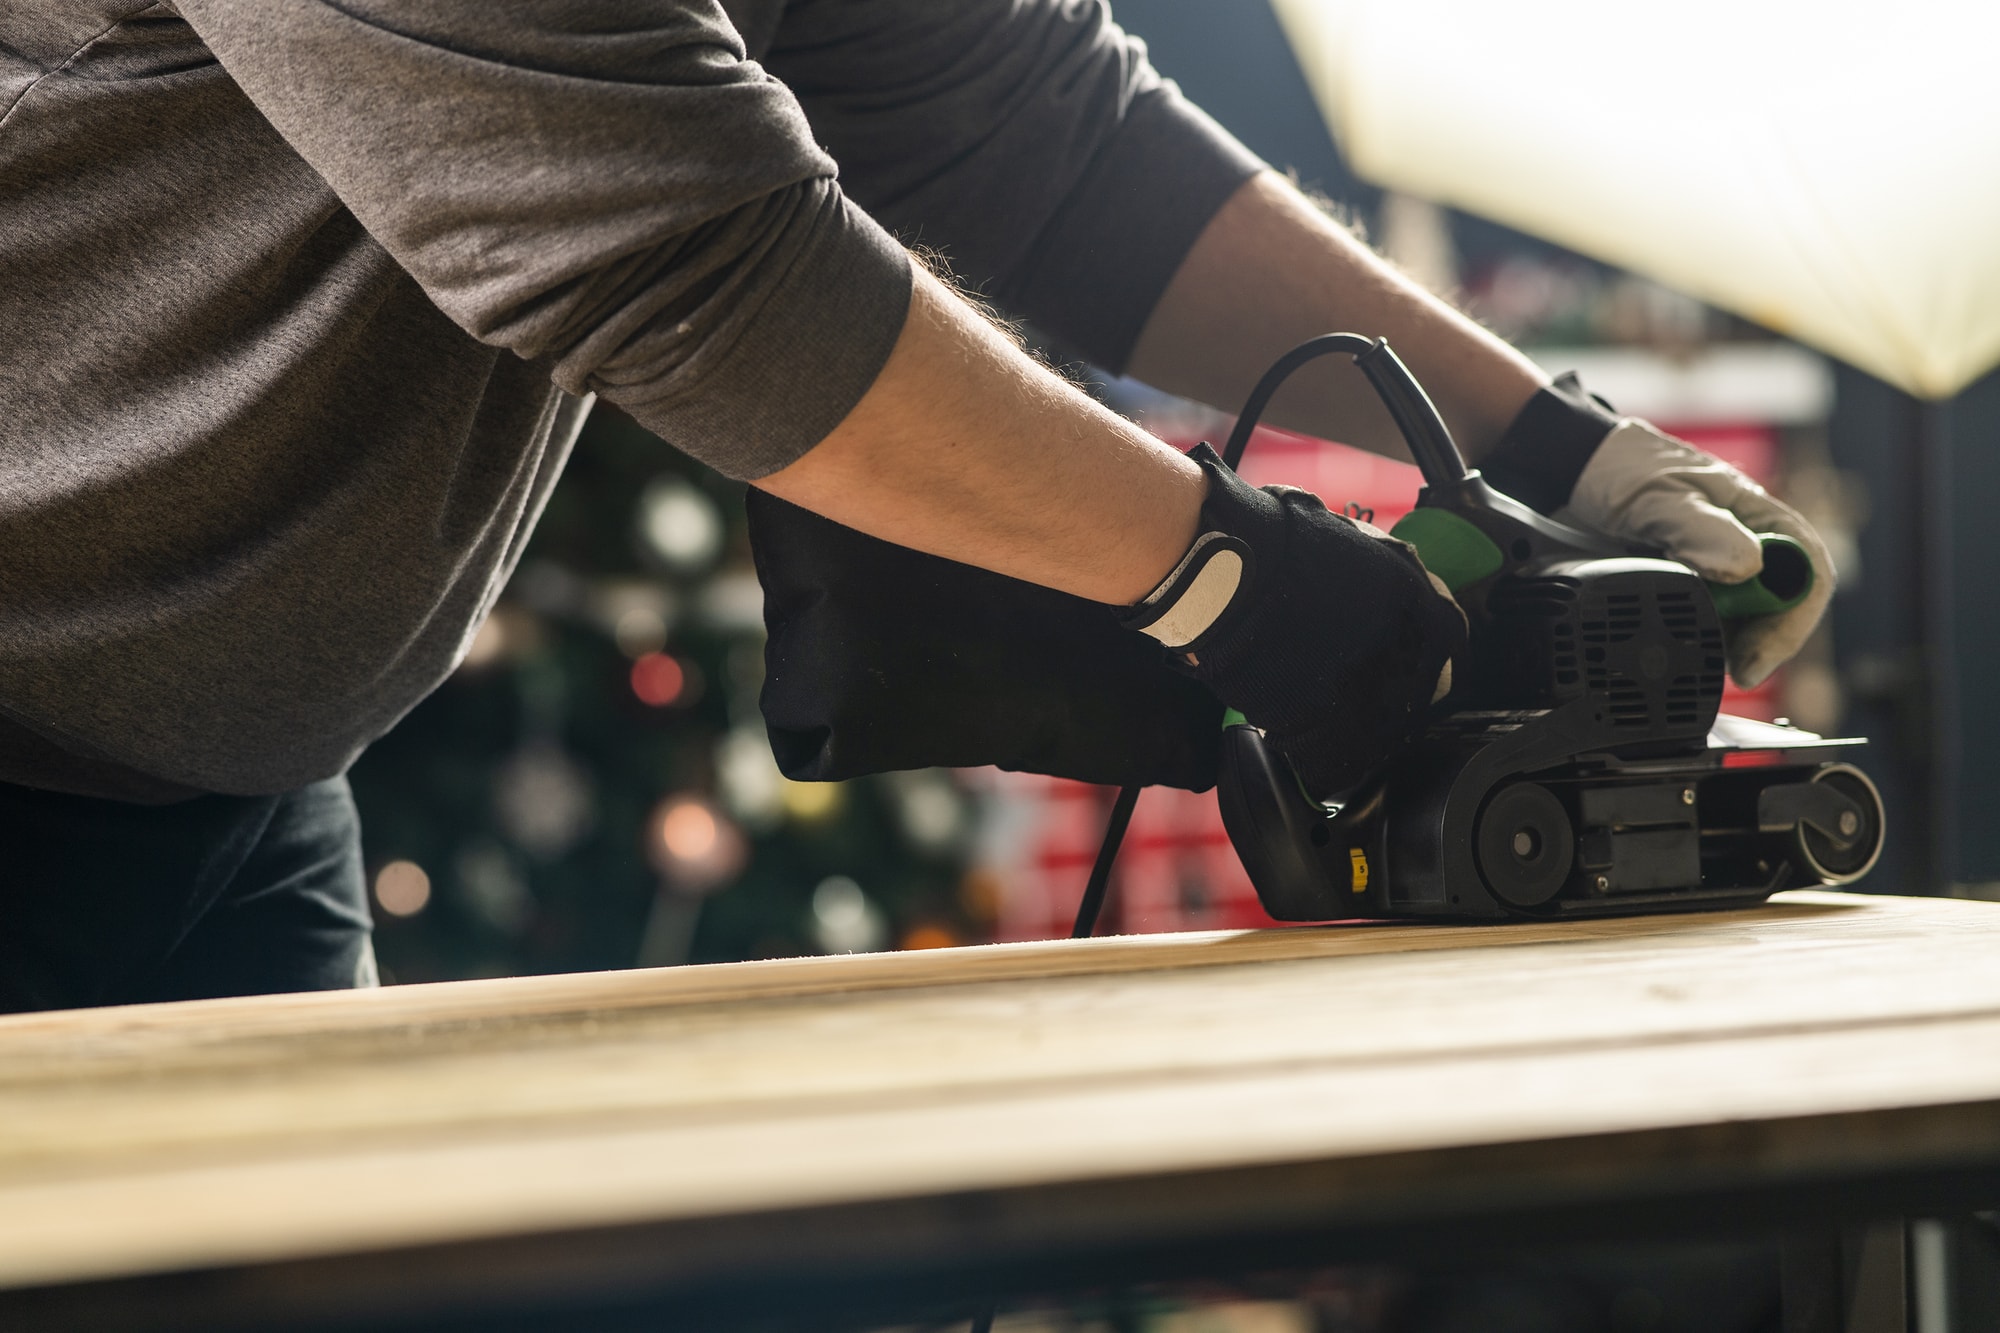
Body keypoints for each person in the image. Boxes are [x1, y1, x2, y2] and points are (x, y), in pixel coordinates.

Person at [0, 0, 1830, 1012]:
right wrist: (1235, 582)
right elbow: (695, 258)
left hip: (239, 786)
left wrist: (1568, 454)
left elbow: (1031, 125)